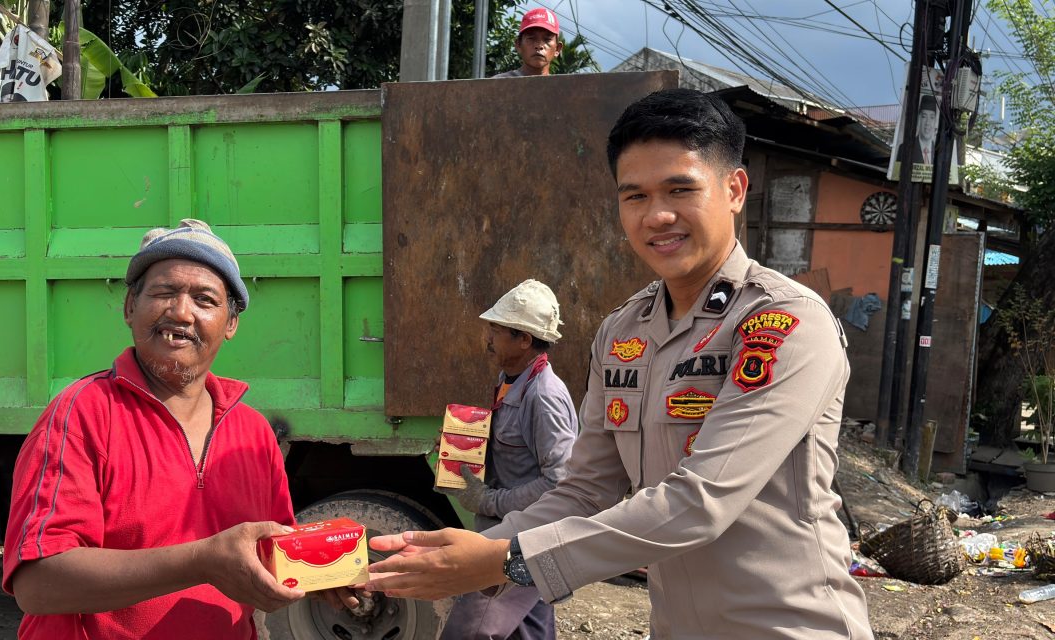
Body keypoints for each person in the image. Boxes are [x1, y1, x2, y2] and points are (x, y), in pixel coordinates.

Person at [365, 89, 875, 640]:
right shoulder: (623, 331)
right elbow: (584, 490)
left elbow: (698, 503)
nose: (657, 215)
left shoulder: (784, 322)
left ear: (734, 189)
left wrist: (503, 561)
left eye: (681, 189)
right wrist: (450, 551)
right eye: (634, 196)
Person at [2, 219, 309, 639]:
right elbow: (38, 584)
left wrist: (328, 575)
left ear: (231, 324)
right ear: (130, 307)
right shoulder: (83, 413)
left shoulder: (253, 433)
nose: (181, 312)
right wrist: (201, 561)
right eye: (164, 292)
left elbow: (270, 557)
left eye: (204, 299)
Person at [438, 279, 578, 640]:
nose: (488, 338)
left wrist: (489, 500)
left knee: (469, 630)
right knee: (529, 631)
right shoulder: (511, 380)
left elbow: (561, 480)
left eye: (496, 331)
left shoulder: (544, 396)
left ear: (525, 339)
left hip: (521, 543)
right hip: (520, 539)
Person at [492, 8, 563, 78]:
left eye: (547, 39)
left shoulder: (565, 86)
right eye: (531, 38)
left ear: (557, 49)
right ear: (518, 45)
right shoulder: (497, 84)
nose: (539, 46)